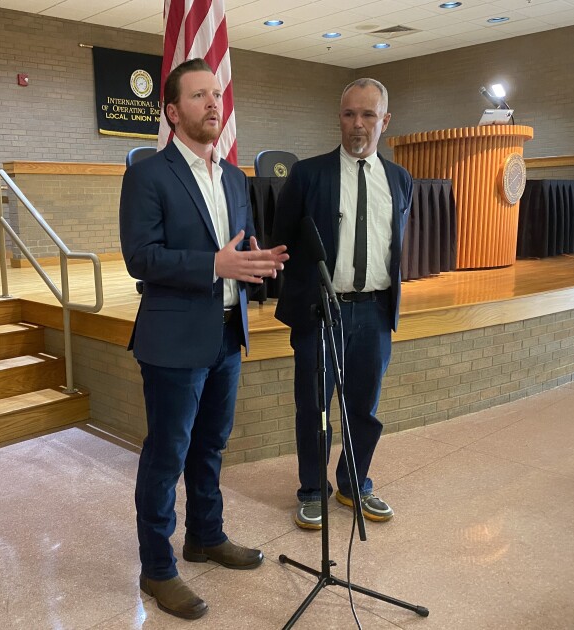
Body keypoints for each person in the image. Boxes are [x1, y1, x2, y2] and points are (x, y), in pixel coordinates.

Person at [119, 58, 289, 620]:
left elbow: (239, 247)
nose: (214, 104)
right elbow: (140, 258)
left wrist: (255, 262)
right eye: (199, 96)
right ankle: (157, 567)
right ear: (172, 111)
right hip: (172, 339)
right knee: (166, 455)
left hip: (225, 334)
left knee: (211, 446)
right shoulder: (149, 174)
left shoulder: (235, 177)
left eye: (216, 94)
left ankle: (206, 536)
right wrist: (214, 264)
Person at [272, 78, 412, 529]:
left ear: (384, 121)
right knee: (313, 407)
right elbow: (283, 243)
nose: (358, 124)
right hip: (322, 313)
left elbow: (395, 246)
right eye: (350, 113)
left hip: (373, 312)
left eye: (368, 115)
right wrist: (303, 302)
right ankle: (312, 489)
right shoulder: (308, 175)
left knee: (363, 407)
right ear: (339, 118)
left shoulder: (400, 180)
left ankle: (355, 482)